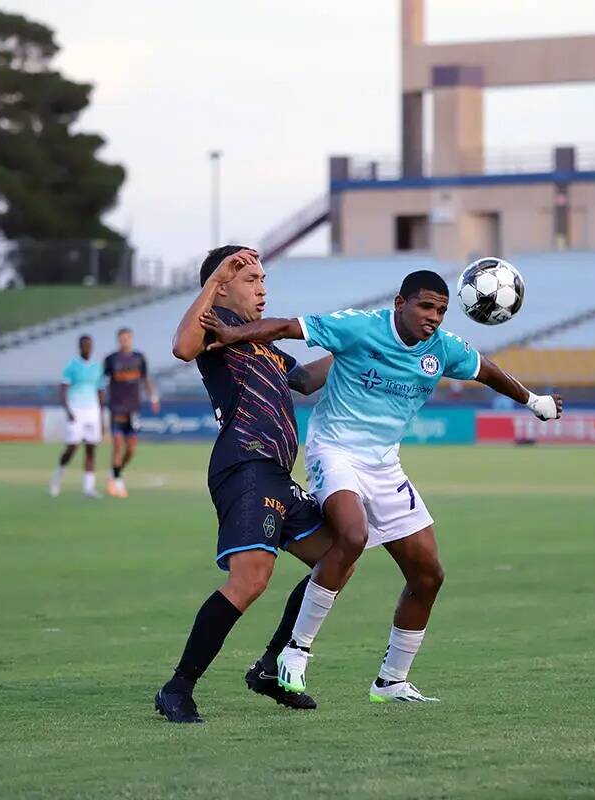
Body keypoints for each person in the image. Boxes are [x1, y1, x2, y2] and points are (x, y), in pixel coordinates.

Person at [201, 269, 563, 703]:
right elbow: (285, 327)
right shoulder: (360, 326)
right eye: (426, 306)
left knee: (428, 575)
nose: (433, 317)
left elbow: (487, 372)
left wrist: (533, 401)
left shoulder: (443, 349)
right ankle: (295, 652)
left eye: (442, 311)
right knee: (353, 534)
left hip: (384, 465)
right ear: (400, 303)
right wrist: (233, 333)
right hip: (333, 449)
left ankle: (391, 680)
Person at [156, 245, 337, 723]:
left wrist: (357, 343)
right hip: (245, 467)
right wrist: (213, 281)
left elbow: (307, 381)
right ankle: (177, 688)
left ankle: (271, 669)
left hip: (275, 473)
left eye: (263, 280)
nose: (262, 289)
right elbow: (182, 347)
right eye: (251, 279)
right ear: (223, 284)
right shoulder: (214, 330)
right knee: (250, 580)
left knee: (337, 557)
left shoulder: (263, 345)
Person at [103, 328, 160, 498]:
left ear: (132, 339)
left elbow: (145, 379)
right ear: (118, 340)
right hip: (116, 408)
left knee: (131, 450)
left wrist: (153, 397)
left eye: (127, 338)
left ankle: (114, 472)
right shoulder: (111, 360)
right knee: (118, 445)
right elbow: (102, 382)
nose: (125, 341)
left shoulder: (139, 358)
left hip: (133, 409)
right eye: (122, 338)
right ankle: (118, 481)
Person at [49, 335, 105, 499]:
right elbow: (63, 389)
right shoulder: (71, 367)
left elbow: (100, 391)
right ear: (80, 347)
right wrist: (68, 410)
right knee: (71, 448)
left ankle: (89, 488)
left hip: (92, 411)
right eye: (85, 345)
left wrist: (100, 414)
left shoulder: (97, 367)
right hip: (76, 410)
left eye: (90, 345)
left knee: (91, 449)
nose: (87, 348)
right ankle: (57, 479)